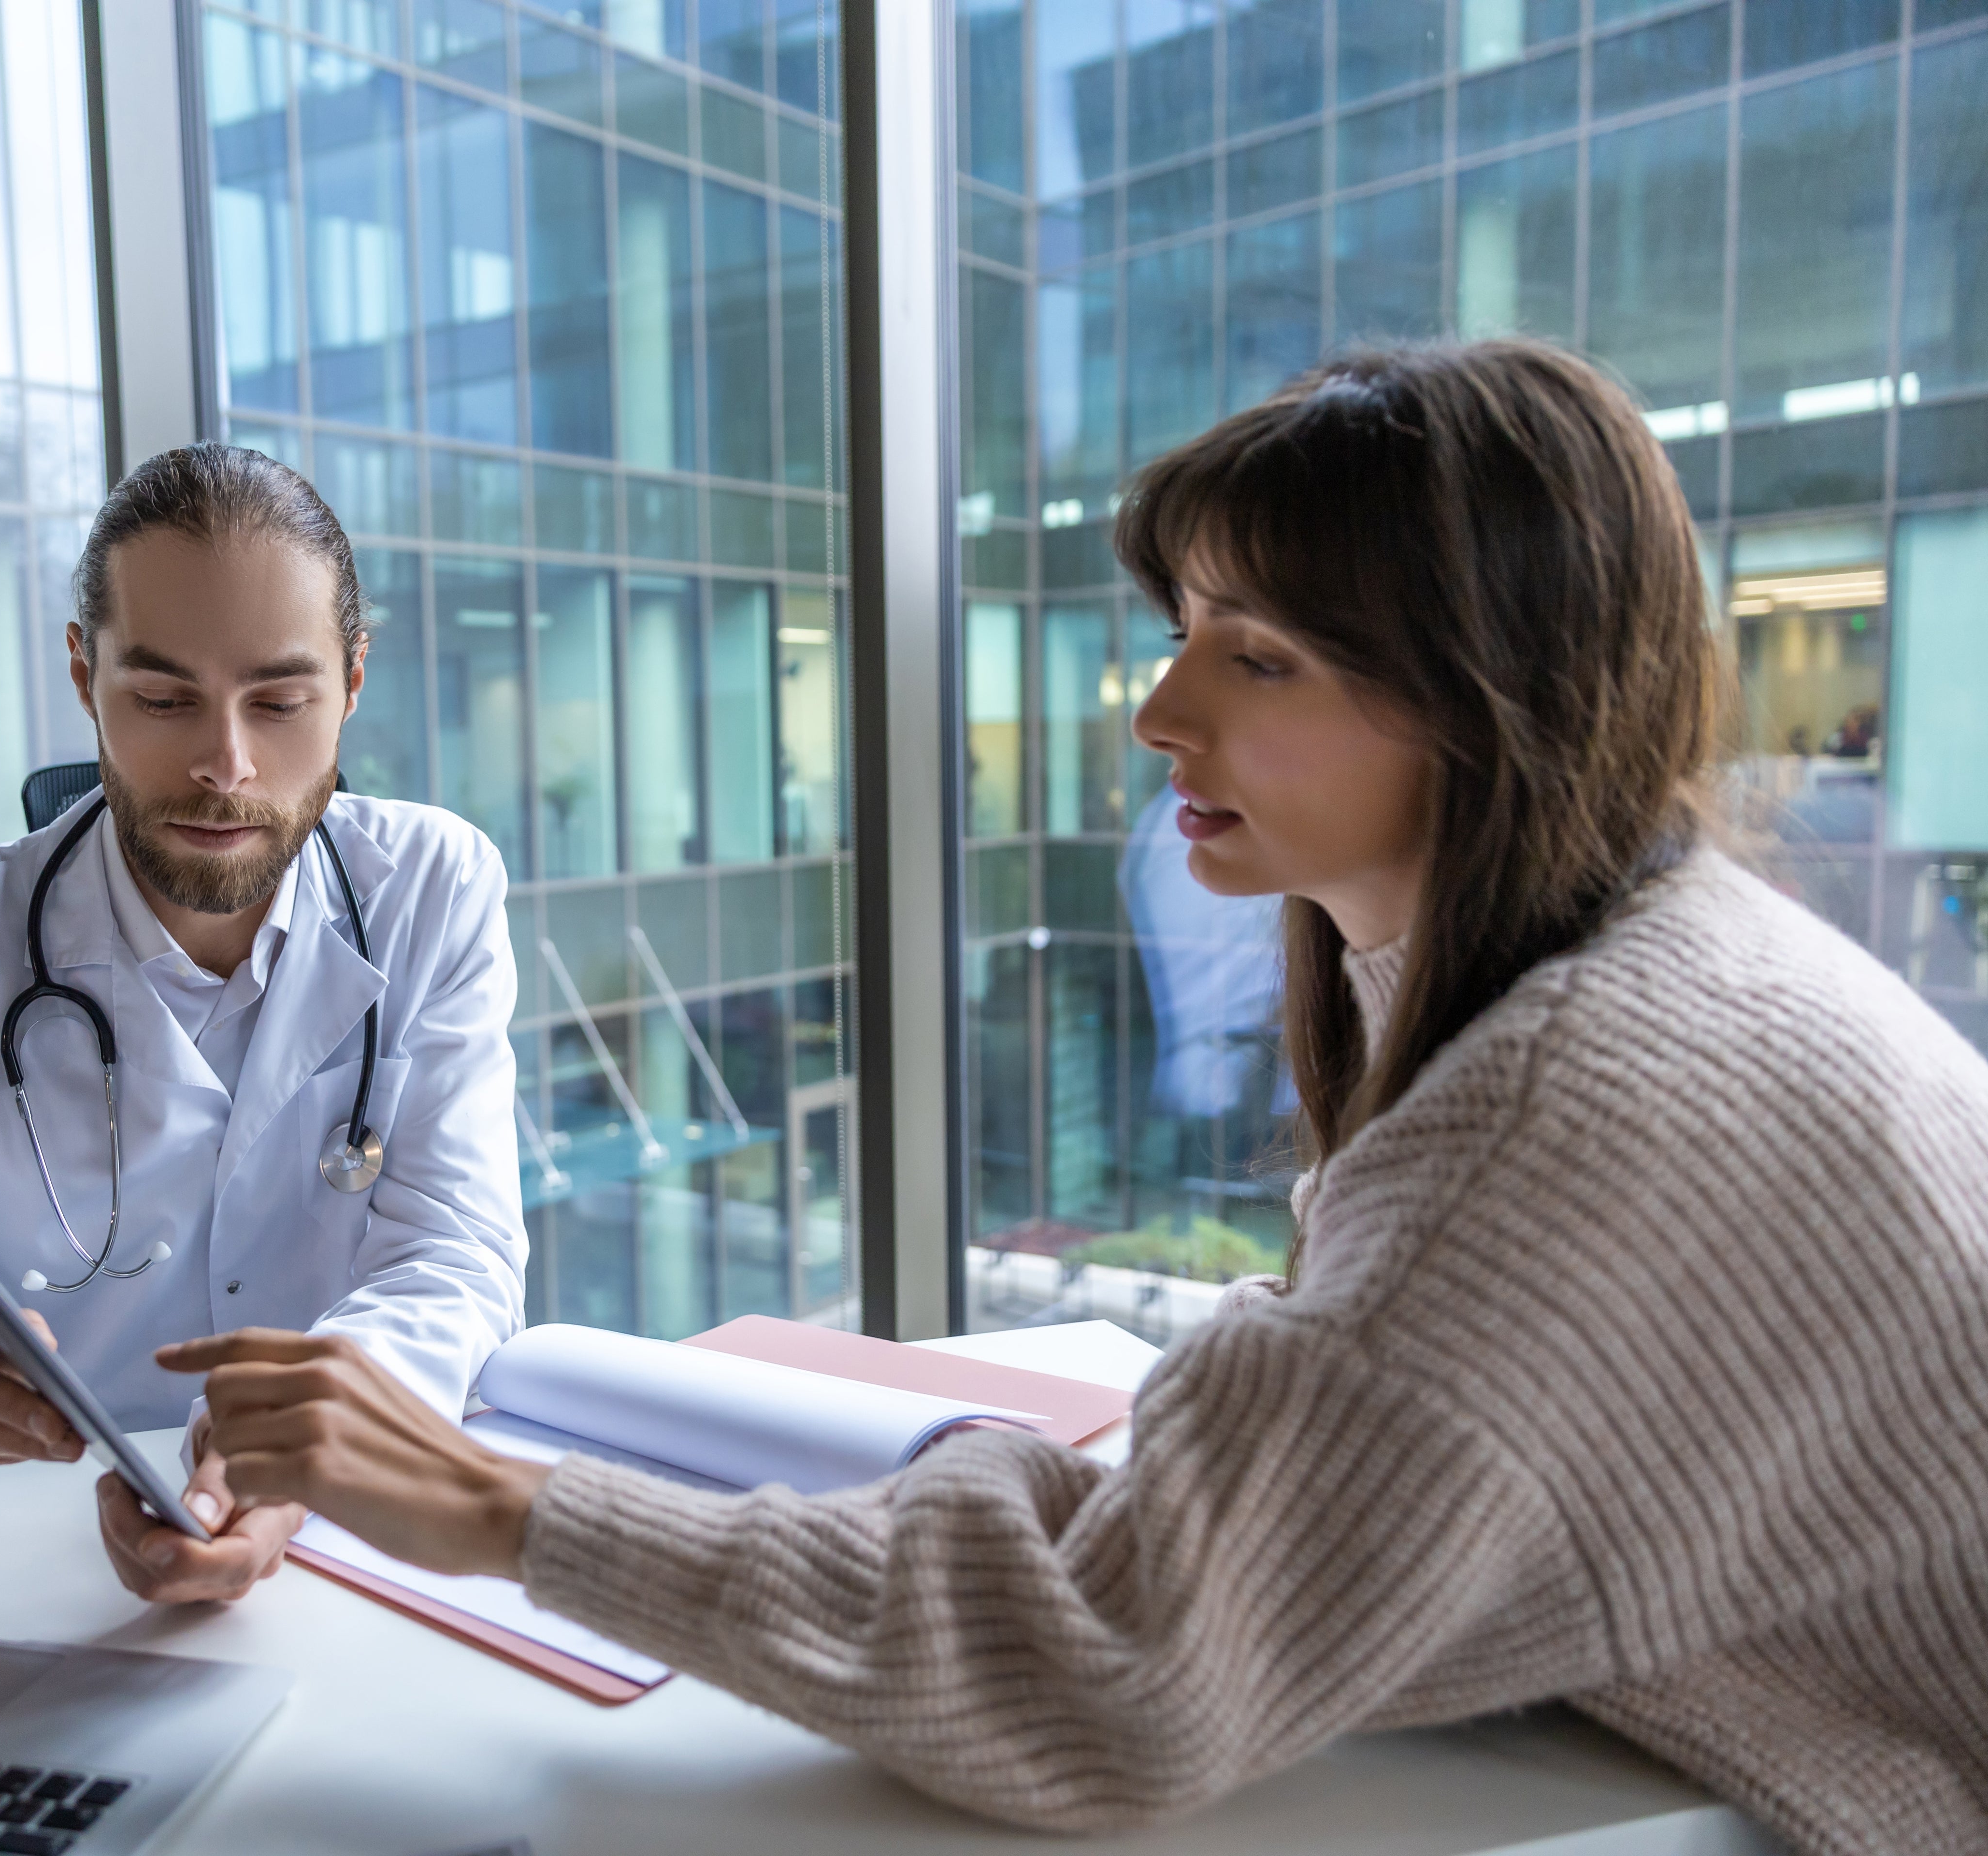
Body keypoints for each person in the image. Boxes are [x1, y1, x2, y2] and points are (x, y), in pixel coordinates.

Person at [154, 344, 1988, 1853]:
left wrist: (507, 1510)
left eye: (1257, 656)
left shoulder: (1571, 1098)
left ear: (1487, 700)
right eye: (1189, 629)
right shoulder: (1620, 950)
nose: (1158, 710)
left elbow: (1111, 1685)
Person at [0, 444, 526, 1606]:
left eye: (279, 702)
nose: (226, 766)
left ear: (354, 681)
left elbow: (455, 1253)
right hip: (11, 1594)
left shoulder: (432, 889)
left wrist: (304, 1441)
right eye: (165, 699)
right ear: (86, 675)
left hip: (346, 1559)